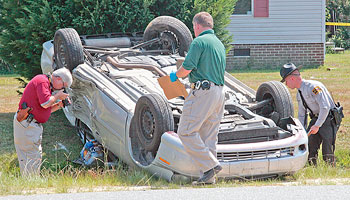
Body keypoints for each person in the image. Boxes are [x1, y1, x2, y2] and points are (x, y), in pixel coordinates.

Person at [169, 12, 226, 184]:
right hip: (219, 93)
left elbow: (186, 68)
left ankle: (210, 166)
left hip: (203, 92)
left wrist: (174, 76)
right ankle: (208, 178)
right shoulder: (219, 44)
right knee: (208, 136)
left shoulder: (199, 41)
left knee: (185, 132)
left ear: (197, 26)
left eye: (194, 27)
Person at [13, 67, 73, 175]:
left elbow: (46, 109)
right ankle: (31, 184)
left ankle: (31, 182)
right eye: (63, 86)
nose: (62, 89)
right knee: (30, 156)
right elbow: (45, 103)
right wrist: (58, 96)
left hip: (31, 125)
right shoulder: (42, 81)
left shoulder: (46, 84)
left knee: (34, 156)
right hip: (27, 124)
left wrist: (60, 104)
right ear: (58, 79)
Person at [280, 63, 338, 166]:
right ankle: (312, 166)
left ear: (292, 78)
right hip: (316, 118)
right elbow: (302, 115)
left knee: (327, 146)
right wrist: (302, 131)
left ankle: (329, 168)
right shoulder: (300, 93)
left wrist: (317, 125)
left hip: (328, 118)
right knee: (310, 143)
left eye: (286, 81)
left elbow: (325, 107)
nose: (286, 84)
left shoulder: (313, 87)